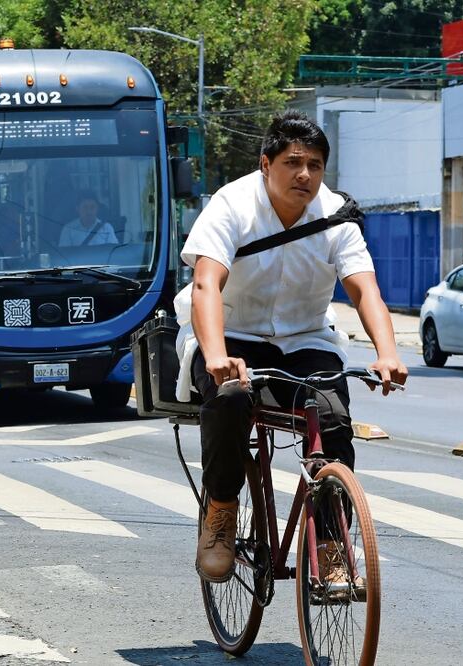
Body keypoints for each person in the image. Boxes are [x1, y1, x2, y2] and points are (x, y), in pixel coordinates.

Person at [173, 110, 408, 584]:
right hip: (231, 333)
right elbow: (205, 285)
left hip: (305, 340)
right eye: (294, 162)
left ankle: (330, 541)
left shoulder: (336, 216)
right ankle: (219, 514)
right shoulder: (231, 204)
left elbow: (365, 291)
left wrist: (388, 351)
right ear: (266, 164)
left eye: (316, 165)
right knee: (231, 398)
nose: (305, 175)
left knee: (334, 416)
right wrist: (216, 355)